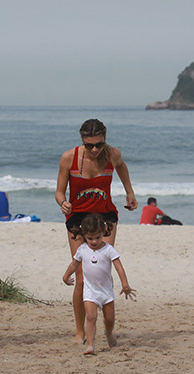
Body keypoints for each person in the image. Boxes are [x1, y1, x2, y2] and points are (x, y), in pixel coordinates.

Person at [55, 118, 138, 344]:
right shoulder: (69, 158)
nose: (94, 149)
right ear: (82, 140)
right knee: (81, 277)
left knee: (102, 269)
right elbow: (59, 192)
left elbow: (122, 168)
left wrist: (130, 193)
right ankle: (80, 330)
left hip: (105, 216)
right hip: (77, 218)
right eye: (89, 144)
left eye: (99, 144)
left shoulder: (112, 155)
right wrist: (62, 203)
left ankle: (107, 327)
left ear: (105, 139)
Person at [62, 214, 136, 355]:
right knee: (91, 317)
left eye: (98, 237)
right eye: (90, 238)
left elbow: (119, 267)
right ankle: (90, 345)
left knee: (109, 319)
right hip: (90, 291)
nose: (94, 241)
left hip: (106, 291)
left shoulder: (108, 250)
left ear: (104, 232)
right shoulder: (82, 249)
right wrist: (66, 276)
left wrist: (125, 285)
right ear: (84, 235)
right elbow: (74, 264)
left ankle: (108, 334)